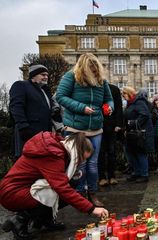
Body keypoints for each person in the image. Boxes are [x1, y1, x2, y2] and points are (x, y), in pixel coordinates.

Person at [0, 132, 109, 240]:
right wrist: (91, 209)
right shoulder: (53, 154)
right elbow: (62, 188)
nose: (82, 162)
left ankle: (44, 219)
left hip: (21, 189)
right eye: (81, 159)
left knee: (71, 184)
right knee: (62, 191)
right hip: (11, 193)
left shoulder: (60, 148)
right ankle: (19, 220)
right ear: (77, 151)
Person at [56, 53, 114, 207]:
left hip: (96, 128)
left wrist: (109, 108)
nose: (95, 72)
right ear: (84, 68)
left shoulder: (102, 81)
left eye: (96, 70)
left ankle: (93, 193)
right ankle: (80, 194)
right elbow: (60, 96)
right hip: (75, 128)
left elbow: (109, 99)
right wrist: (82, 108)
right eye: (92, 70)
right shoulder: (70, 77)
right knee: (79, 164)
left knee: (93, 164)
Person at [9, 64, 53, 159]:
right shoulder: (21, 85)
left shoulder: (45, 91)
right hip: (26, 133)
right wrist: (23, 126)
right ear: (34, 75)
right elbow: (16, 106)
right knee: (24, 164)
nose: (46, 77)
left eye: (47, 75)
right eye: (43, 74)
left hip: (43, 135)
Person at [123, 87, 154, 183]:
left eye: (124, 94)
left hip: (140, 133)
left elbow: (144, 115)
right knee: (132, 153)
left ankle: (144, 174)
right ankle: (136, 173)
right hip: (132, 133)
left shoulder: (139, 102)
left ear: (130, 94)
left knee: (140, 153)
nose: (123, 96)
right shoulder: (130, 103)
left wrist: (133, 123)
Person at [98, 84, 123, 186]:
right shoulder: (94, 88)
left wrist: (118, 124)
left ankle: (112, 176)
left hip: (111, 126)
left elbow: (118, 108)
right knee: (100, 152)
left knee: (112, 152)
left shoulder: (114, 89)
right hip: (98, 126)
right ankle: (102, 177)